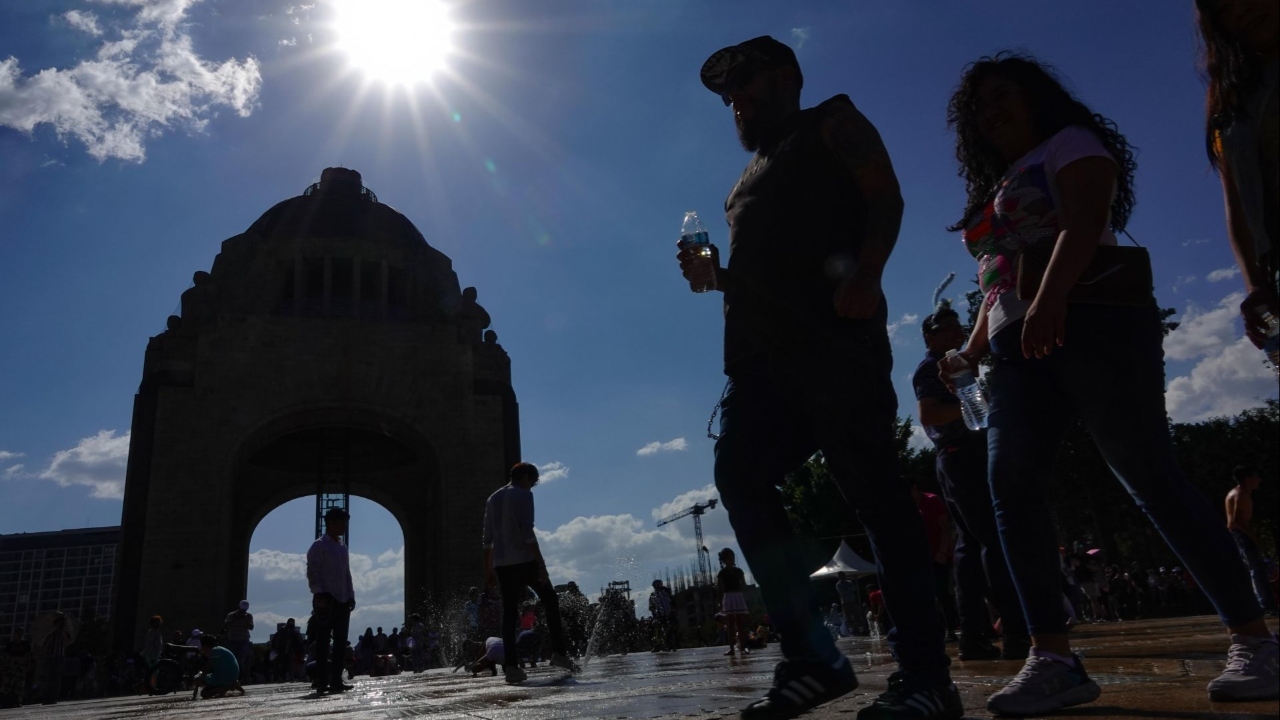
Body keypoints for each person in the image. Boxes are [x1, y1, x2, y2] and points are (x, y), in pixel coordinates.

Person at [940, 52, 1279, 715]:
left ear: (1036, 98)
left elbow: (1086, 220)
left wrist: (1051, 300)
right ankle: (1053, 657)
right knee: (1010, 486)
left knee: (1149, 475)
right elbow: (998, 283)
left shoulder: (1072, 143)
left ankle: (1254, 641)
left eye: (1002, 96)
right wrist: (972, 349)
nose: (990, 112)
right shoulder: (1000, 181)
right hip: (1016, 343)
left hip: (1092, 323)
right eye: (979, 106)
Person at [681, 34, 960, 720]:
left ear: (785, 78)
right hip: (756, 363)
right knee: (739, 477)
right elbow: (755, 277)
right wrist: (712, 277)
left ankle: (926, 678)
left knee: (877, 498)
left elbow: (884, 196)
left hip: (833, 344)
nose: (738, 105)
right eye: (729, 100)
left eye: (748, 89)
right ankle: (814, 657)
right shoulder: (740, 184)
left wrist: (868, 272)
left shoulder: (832, 121)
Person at [912, 305, 1030, 661]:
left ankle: (976, 636)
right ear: (930, 336)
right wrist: (976, 408)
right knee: (992, 539)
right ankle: (1014, 632)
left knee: (970, 547)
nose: (956, 333)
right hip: (959, 454)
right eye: (945, 329)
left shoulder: (958, 366)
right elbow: (929, 414)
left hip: (962, 454)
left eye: (958, 327)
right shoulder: (932, 368)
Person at [1196, 0, 1279, 351]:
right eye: (1224, 7)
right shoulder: (1230, 102)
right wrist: (1255, 286)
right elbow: (1238, 205)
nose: (1243, 9)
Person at [481, 462, 579, 683]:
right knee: (550, 601)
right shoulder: (524, 495)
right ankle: (559, 654)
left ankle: (512, 668)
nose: (532, 486)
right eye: (532, 482)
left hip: (501, 565)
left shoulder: (492, 498)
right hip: (525, 561)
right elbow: (527, 531)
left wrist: (487, 570)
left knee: (508, 615)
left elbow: (487, 540)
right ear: (525, 477)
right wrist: (541, 564)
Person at [306, 506, 356, 694]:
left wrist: (351, 595)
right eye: (343, 523)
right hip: (325, 600)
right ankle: (321, 681)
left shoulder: (342, 546)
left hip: (343, 599)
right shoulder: (319, 546)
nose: (345, 527)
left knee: (341, 642)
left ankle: (336, 680)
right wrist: (318, 594)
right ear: (332, 523)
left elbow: (346, 573)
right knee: (323, 642)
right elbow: (312, 571)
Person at [910, 480, 959, 642]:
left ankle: (951, 628)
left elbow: (945, 528)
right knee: (927, 595)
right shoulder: (909, 505)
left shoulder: (932, 500)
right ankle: (935, 628)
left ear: (916, 488)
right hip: (922, 558)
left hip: (939, 556)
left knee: (944, 593)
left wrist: (943, 551)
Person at [1226, 465, 1278, 613]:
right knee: (1257, 568)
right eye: (1256, 476)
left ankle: (1263, 603)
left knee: (1254, 568)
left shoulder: (1238, 492)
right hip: (1240, 533)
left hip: (1238, 533)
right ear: (1248, 479)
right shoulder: (1241, 494)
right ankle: (1266, 605)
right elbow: (1238, 520)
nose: (1259, 480)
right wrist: (1255, 538)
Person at [716, 548, 751, 656]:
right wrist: (720, 601)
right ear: (724, 559)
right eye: (729, 558)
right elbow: (720, 588)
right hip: (728, 597)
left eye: (732, 557)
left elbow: (744, 584)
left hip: (737, 595)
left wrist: (741, 588)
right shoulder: (722, 573)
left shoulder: (739, 571)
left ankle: (743, 647)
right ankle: (731, 648)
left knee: (741, 624)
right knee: (730, 624)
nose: (731, 560)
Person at [193, 634, 243, 699]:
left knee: (204, 692)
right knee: (217, 690)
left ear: (205, 646)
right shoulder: (219, 650)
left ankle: (230, 686)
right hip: (231, 676)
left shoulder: (214, 651)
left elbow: (206, 669)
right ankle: (229, 686)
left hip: (225, 677)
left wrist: (197, 686)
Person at [222, 600, 254, 681]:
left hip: (243, 640)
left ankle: (240, 677)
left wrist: (246, 619)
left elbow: (251, 627)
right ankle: (231, 676)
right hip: (232, 639)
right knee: (231, 658)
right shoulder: (231, 615)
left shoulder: (249, 616)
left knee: (241, 659)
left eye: (244, 610)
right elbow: (226, 625)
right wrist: (235, 618)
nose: (243, 611)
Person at [1, 628, 32, 709]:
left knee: (19, 686)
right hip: (11, 668)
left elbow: (28, 656)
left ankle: (17, 701)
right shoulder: (10, 645)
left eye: (19, 633)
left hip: (20, 668)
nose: (18, 635)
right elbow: (6, 656)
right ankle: (5, 702)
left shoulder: (25, 644)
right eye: (16, 633)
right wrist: (5, 666)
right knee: (7, 686)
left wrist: (27, 665)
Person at [834, 572, 868, 636]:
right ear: (839, 577)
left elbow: (854, 589)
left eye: (843, 575)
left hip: (853, 601)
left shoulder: (849, 582)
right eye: (841, 576)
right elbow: (842, 592)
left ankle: (862, 630)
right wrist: (848, 589)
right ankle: (851, 631)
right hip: (846, 603)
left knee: (858, 616)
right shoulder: (838, 584)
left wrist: (847, 589)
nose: (842, 577)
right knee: (848, 618)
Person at [649, 579, 678, 651]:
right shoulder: (662, 594)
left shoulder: (664, 593)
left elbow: (651, 607)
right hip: (663, 615)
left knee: (664, 630)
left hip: (665, 615)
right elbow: (651, 607)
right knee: (661, 630)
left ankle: (666, 645)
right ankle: (663, 645)